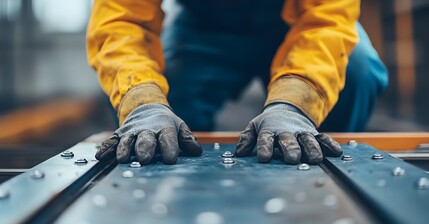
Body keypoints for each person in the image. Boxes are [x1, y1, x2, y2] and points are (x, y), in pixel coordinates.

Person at [87, 0, 388, 165]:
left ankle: (323, 163)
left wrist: (294, 106)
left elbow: (328, 20)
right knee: (158, 111)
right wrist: (144, 102)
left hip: (297, 22)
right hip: (202, 28)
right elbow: (122, 22)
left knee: (356, 69)